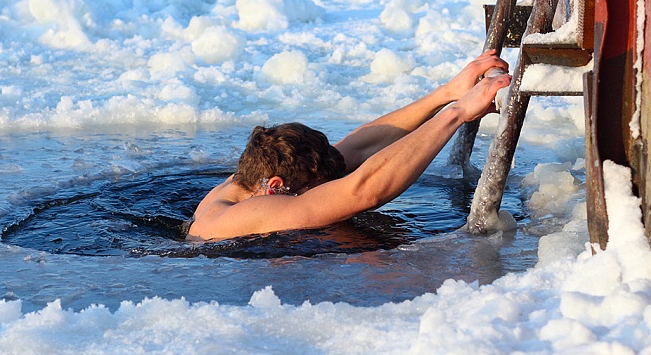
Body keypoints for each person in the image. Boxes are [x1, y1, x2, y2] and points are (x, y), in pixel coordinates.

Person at [186, 50, 511, 241]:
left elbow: (354, 149)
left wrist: (446, 94)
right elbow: (363, 191)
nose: (328, 186)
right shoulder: (241, 215)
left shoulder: (254, 178)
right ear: (275, 187)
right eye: (318, 187)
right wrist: (457, 115)